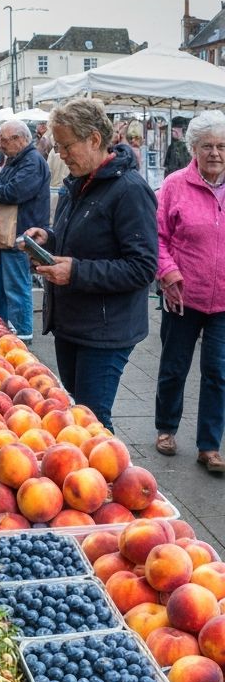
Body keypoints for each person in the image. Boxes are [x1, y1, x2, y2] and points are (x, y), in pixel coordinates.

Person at [24, 97, 158, 433]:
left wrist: (76, 271)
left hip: (105, 329)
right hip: (73, 321)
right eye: (58, 146)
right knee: (75, 412)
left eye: (66, 146)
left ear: (94, 139)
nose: (61, 155)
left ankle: (106, 484)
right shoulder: (80, 182)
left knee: (91, 421)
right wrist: (49, 239)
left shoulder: (129, 191)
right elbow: (85, 239)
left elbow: (143, 267)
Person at [153, 109, 225, 473]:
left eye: (222, 146)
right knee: (174, 365)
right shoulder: (175, 185)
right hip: (182, 295)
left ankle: (209, 446)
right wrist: (167, 272)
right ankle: (166, 428)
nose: (215, 153)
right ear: (194, 149)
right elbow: (159, 237)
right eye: (208, 146)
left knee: (218, 371)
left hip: (224, 301)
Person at [0, 120, 50, 342]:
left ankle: (23, 335)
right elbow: (2, 185)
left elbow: (14, 192)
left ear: (19, 139)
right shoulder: (15, 160)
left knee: (17, 288)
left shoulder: (32, 162)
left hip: (21, 235)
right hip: (4, 236)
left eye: (3, 139)